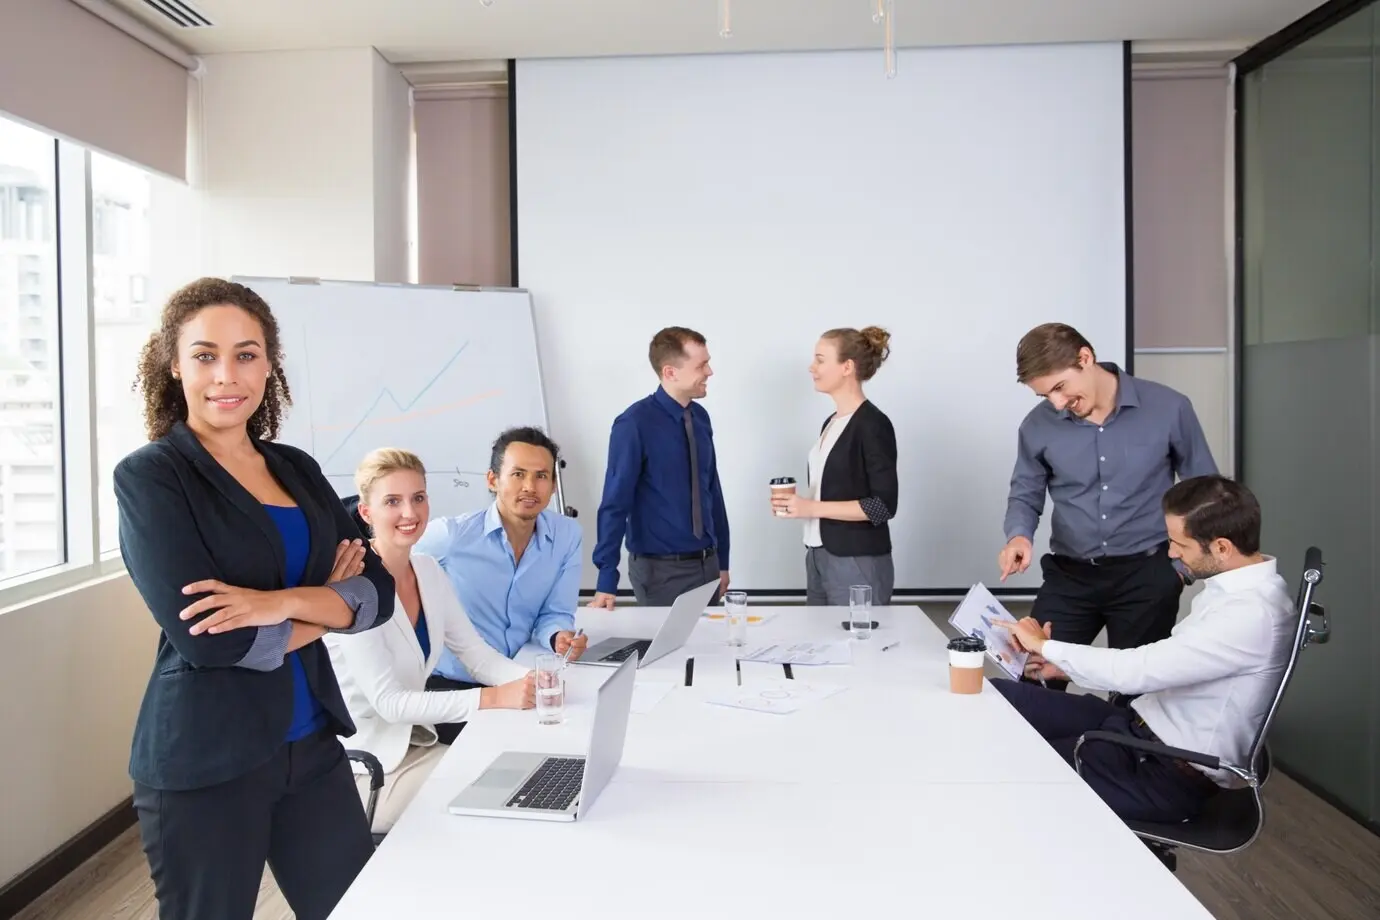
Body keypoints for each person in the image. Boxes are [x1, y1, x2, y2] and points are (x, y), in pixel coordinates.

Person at [114, 277, 396, 920]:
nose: (226, 375)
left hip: (313, 749)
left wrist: (277, 603)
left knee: (359, 908)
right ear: (174, 365)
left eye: (246, 354)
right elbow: (213, 641)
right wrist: (327, 600)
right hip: (207, 761)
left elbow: (377, 592)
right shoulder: (153, 476)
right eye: (205, 355)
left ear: (269, 365)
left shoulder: (295, 467)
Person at [988, 476, 1295, 824]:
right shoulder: (1236, 590)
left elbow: (1140, 669)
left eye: (1180, 543)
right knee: (997, 697)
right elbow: (1172, 663)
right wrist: (1061, 666)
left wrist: (1046, 646)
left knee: (1011, 776)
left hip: (1160, 770)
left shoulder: (1251, 614)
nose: (1171, 553)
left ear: (1222, 547)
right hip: (1137, 728)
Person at [325, 449, 537, 833]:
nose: (410, 512)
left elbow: (476, 655)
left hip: (416, 746)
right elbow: (389, 703)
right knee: (490, 807)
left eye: (418, 498)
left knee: (514, 776)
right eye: (393, 501)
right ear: (367, 514)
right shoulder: (355, 588)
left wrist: (536, 679)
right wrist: (492, 698)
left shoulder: (426, 569)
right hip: (368, 771)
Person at [998, 322, 1218, 687]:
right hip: (1069, 577)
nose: (1056, 403)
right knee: (1034, 680)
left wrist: (1182, 569)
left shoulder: (1169, 407)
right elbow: (1025, 490)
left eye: (1059, 387)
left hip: (1147, 577)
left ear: (1086, 358)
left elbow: (1204, 493)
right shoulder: (1037, 426)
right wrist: (1018, 536)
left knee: (1137, 697)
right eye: (1044, 396)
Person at [413, 427, 586, 736]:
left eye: (542, 476)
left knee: (574, 729)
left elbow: (555, 613)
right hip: (453, 687)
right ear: (493, 480)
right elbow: (389, 559)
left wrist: (559, 636)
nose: (530, 487)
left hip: (517, 675)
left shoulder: (566, 536)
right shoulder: (452, 537)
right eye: (518, 474)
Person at [591, 326, 731, 608]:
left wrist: (723, 561)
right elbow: (615, 503)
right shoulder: (633, 424)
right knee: (669, 653)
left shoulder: (700, 418)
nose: (710, 372)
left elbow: (711, 491)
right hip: (661, 573)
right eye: (701, 365)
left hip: (708, 566)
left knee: (713, 652)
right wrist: (607, 577)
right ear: (670, 372)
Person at [770, 326, 899, 605]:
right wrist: (797, 505)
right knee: (820, 646)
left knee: (860, 647)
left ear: (847, 367)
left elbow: (883, 506)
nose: (811, 367)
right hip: (818, 555)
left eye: (820, 359)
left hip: (856, 559)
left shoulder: (873, 424)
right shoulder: (830, 423)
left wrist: (811, 508)